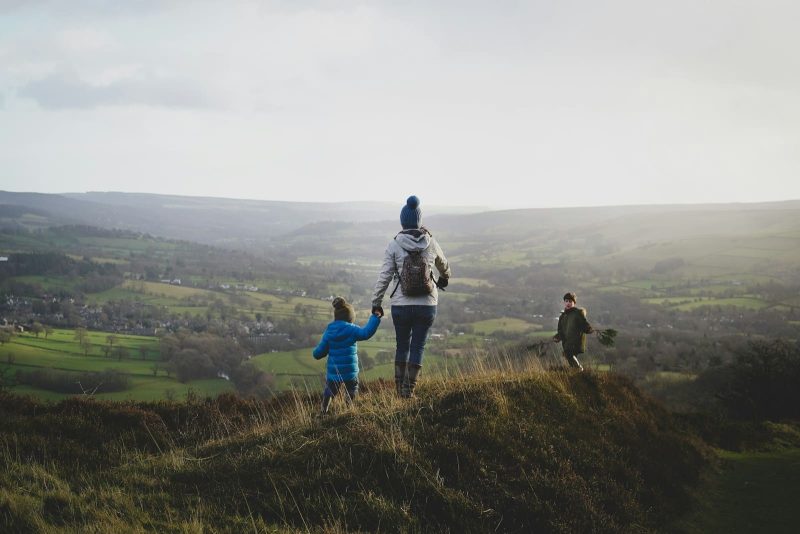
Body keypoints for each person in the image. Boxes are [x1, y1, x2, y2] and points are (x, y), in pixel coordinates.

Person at [371, 195, 451, 398]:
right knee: (418, 346)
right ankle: (409, 391)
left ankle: (399, 392)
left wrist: (376, 302)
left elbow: (384, 277)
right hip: (426, 305)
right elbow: (444, 265)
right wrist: (444, 279)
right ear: (419, 220)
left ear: (402, 221)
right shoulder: (431, 242)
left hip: (401, 305)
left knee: (402, 345)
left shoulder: (394, 244)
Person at [313, 296, 381, 415]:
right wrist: (375, 317)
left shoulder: (329, 331)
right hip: (350, 371)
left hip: (334, 372)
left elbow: (319, 353)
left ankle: (324, 411)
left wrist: (315, 352)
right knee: (352, 389)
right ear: (350, 317)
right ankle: (349, 409)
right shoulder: (352, 329)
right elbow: (366, 333)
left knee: (329, 391)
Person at [553, 292, 593, 371]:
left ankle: (579, 369)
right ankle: (577, 374)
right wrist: (557, 337)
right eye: (566, 301)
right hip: (567, 342)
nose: (568, 303)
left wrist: (588, 329)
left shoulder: (577, 313)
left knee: (569, 355)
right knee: (570, 359)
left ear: (574, 303)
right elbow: (560, 330)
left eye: (570, 301)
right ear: (564, 302)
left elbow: (584, 324)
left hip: (576, 341)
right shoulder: (562, 316)